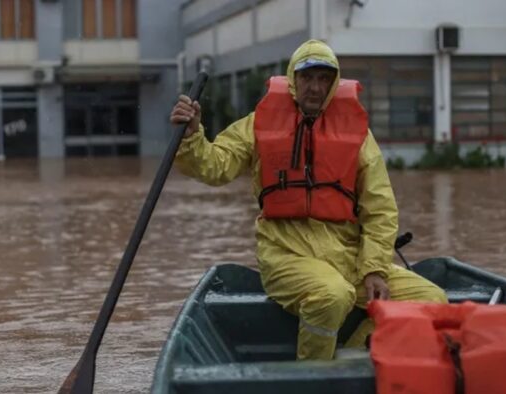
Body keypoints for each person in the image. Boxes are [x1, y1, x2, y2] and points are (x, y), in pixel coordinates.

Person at [169, 39, 446, 360]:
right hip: (286, 255)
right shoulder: (258, 124)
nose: (315, 87)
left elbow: (380, 209)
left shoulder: (358, 134)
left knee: (431, 298)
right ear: (292, 80)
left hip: (348, 257)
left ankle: (354, 356)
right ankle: (313, 375)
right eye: (307, 77)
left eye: (323, 79)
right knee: (331, 294)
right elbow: (214, 166)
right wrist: (191, 136)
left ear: (333, 82)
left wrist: (374, 269)